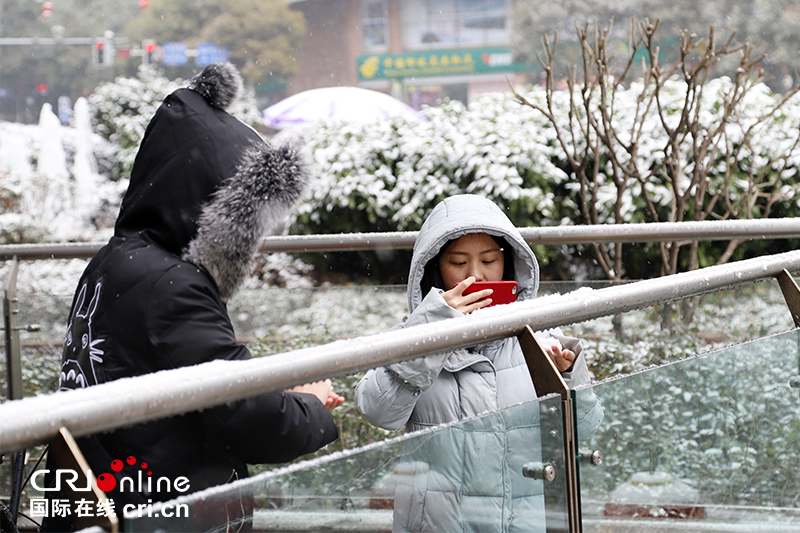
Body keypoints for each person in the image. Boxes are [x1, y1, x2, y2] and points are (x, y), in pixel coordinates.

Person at [42, 63, 342, 532]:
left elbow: (196, 380)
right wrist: (311, 405)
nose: (255, 242)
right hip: (162, 511)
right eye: (250, 223)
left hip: (103, 500)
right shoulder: (174, 286)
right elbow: (249, 416)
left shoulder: (111, 260)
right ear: (215, 212)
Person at [355, 194, 603, 532]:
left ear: (509, 263)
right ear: (435, 269)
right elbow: (379, 411)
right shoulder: (414, 335)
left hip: (525, 522)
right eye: (458, 263)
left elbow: (584, 430)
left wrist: (564, 377)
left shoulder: (537, 339)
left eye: (489, 260)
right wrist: (434, 328)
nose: (476, 276)